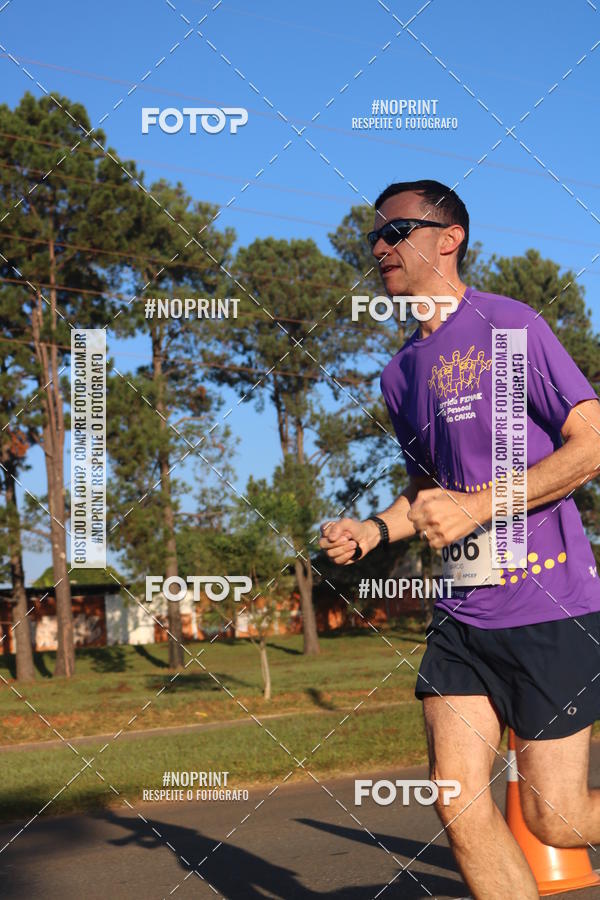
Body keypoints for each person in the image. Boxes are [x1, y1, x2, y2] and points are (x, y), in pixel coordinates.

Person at [319, 179, 600, 899]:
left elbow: (591, 444)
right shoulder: (398, 373)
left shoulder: (511, 326)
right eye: (373, 236)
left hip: (548, 606)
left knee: (557, 818)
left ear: (450, 239)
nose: (379, 246)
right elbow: (427, 495)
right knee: (458, 800)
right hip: (461, 616)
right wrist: (376, 530)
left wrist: (478, 508)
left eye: (396, 231)